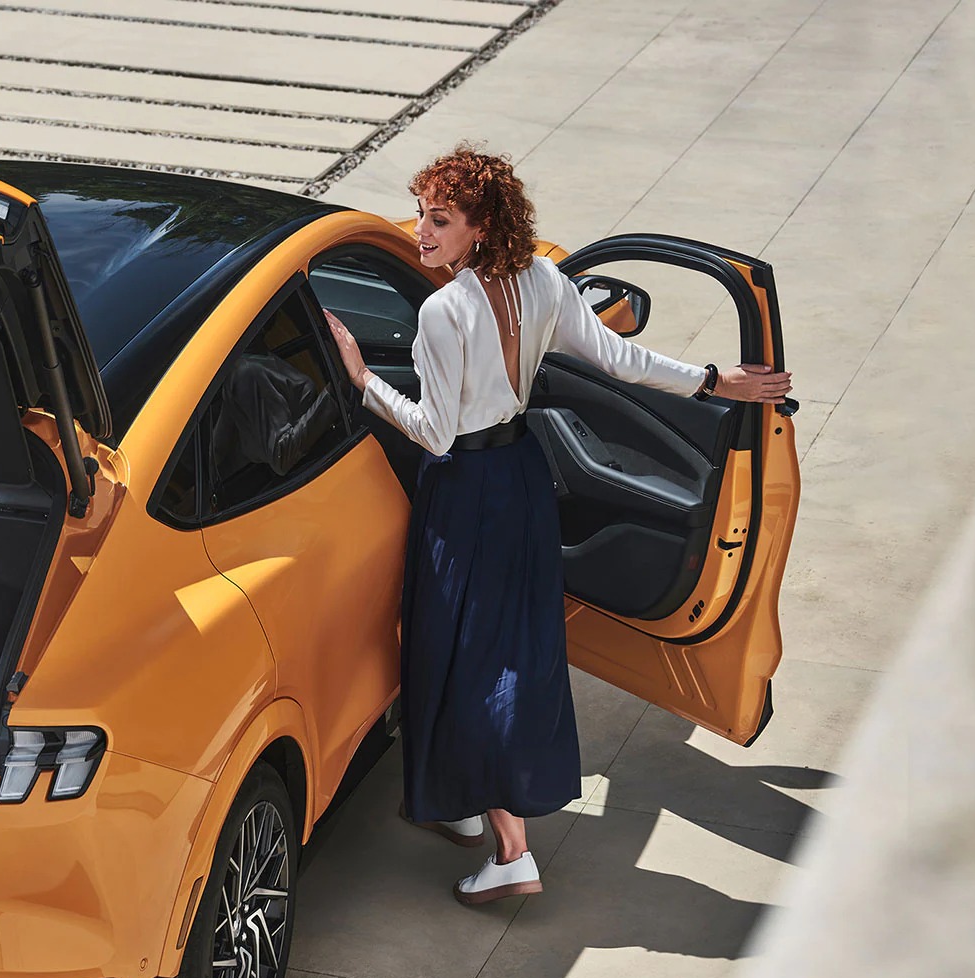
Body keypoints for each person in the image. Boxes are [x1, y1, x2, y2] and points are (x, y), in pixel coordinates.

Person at [322, 146, 791, 904]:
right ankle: (469, 811)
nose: (421, 232)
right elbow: (617, 357)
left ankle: (510, 846)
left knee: (460, 659)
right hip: (521, 479)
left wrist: (363, 378)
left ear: (480, 225)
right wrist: (712, 380)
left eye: (440, 220)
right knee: (512, 647)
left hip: (464, 492)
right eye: (420, 214)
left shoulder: (445, 312)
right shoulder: (541, 280)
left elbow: (434, 432)